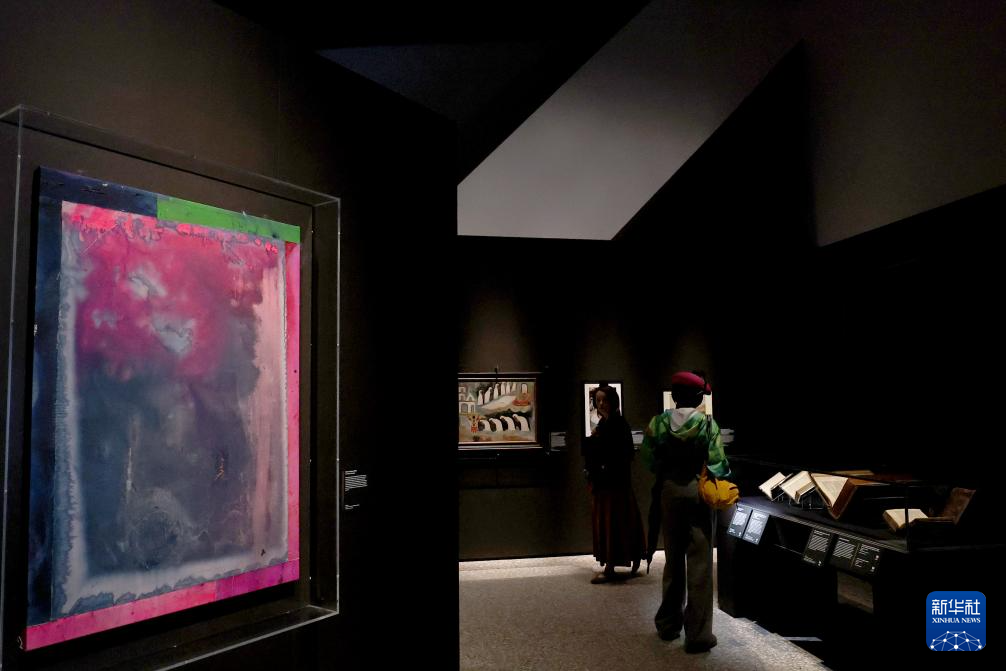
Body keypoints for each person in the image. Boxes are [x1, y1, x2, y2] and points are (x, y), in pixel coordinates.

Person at [641, 371, 729, 653]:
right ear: (699, 398)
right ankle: (698, 635)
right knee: (700, 563)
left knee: (673, 560)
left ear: (675, 396)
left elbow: (648, 459)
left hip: (669, 492)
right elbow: (718, 463)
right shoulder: (707, 424)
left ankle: (668, 624)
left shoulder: (658, 423)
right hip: (698, 492)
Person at [581, 384, 646, 583]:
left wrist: (601, 462)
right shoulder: (605, 423)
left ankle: (611, 567)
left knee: (614, 522)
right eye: (598, 400)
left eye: (604, 400)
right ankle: (621, 561)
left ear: (612, 401)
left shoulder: (618, 424)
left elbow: (623, 454)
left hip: (614, 483)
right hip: (606, 483)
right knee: (612, 522)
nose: (601, 404)